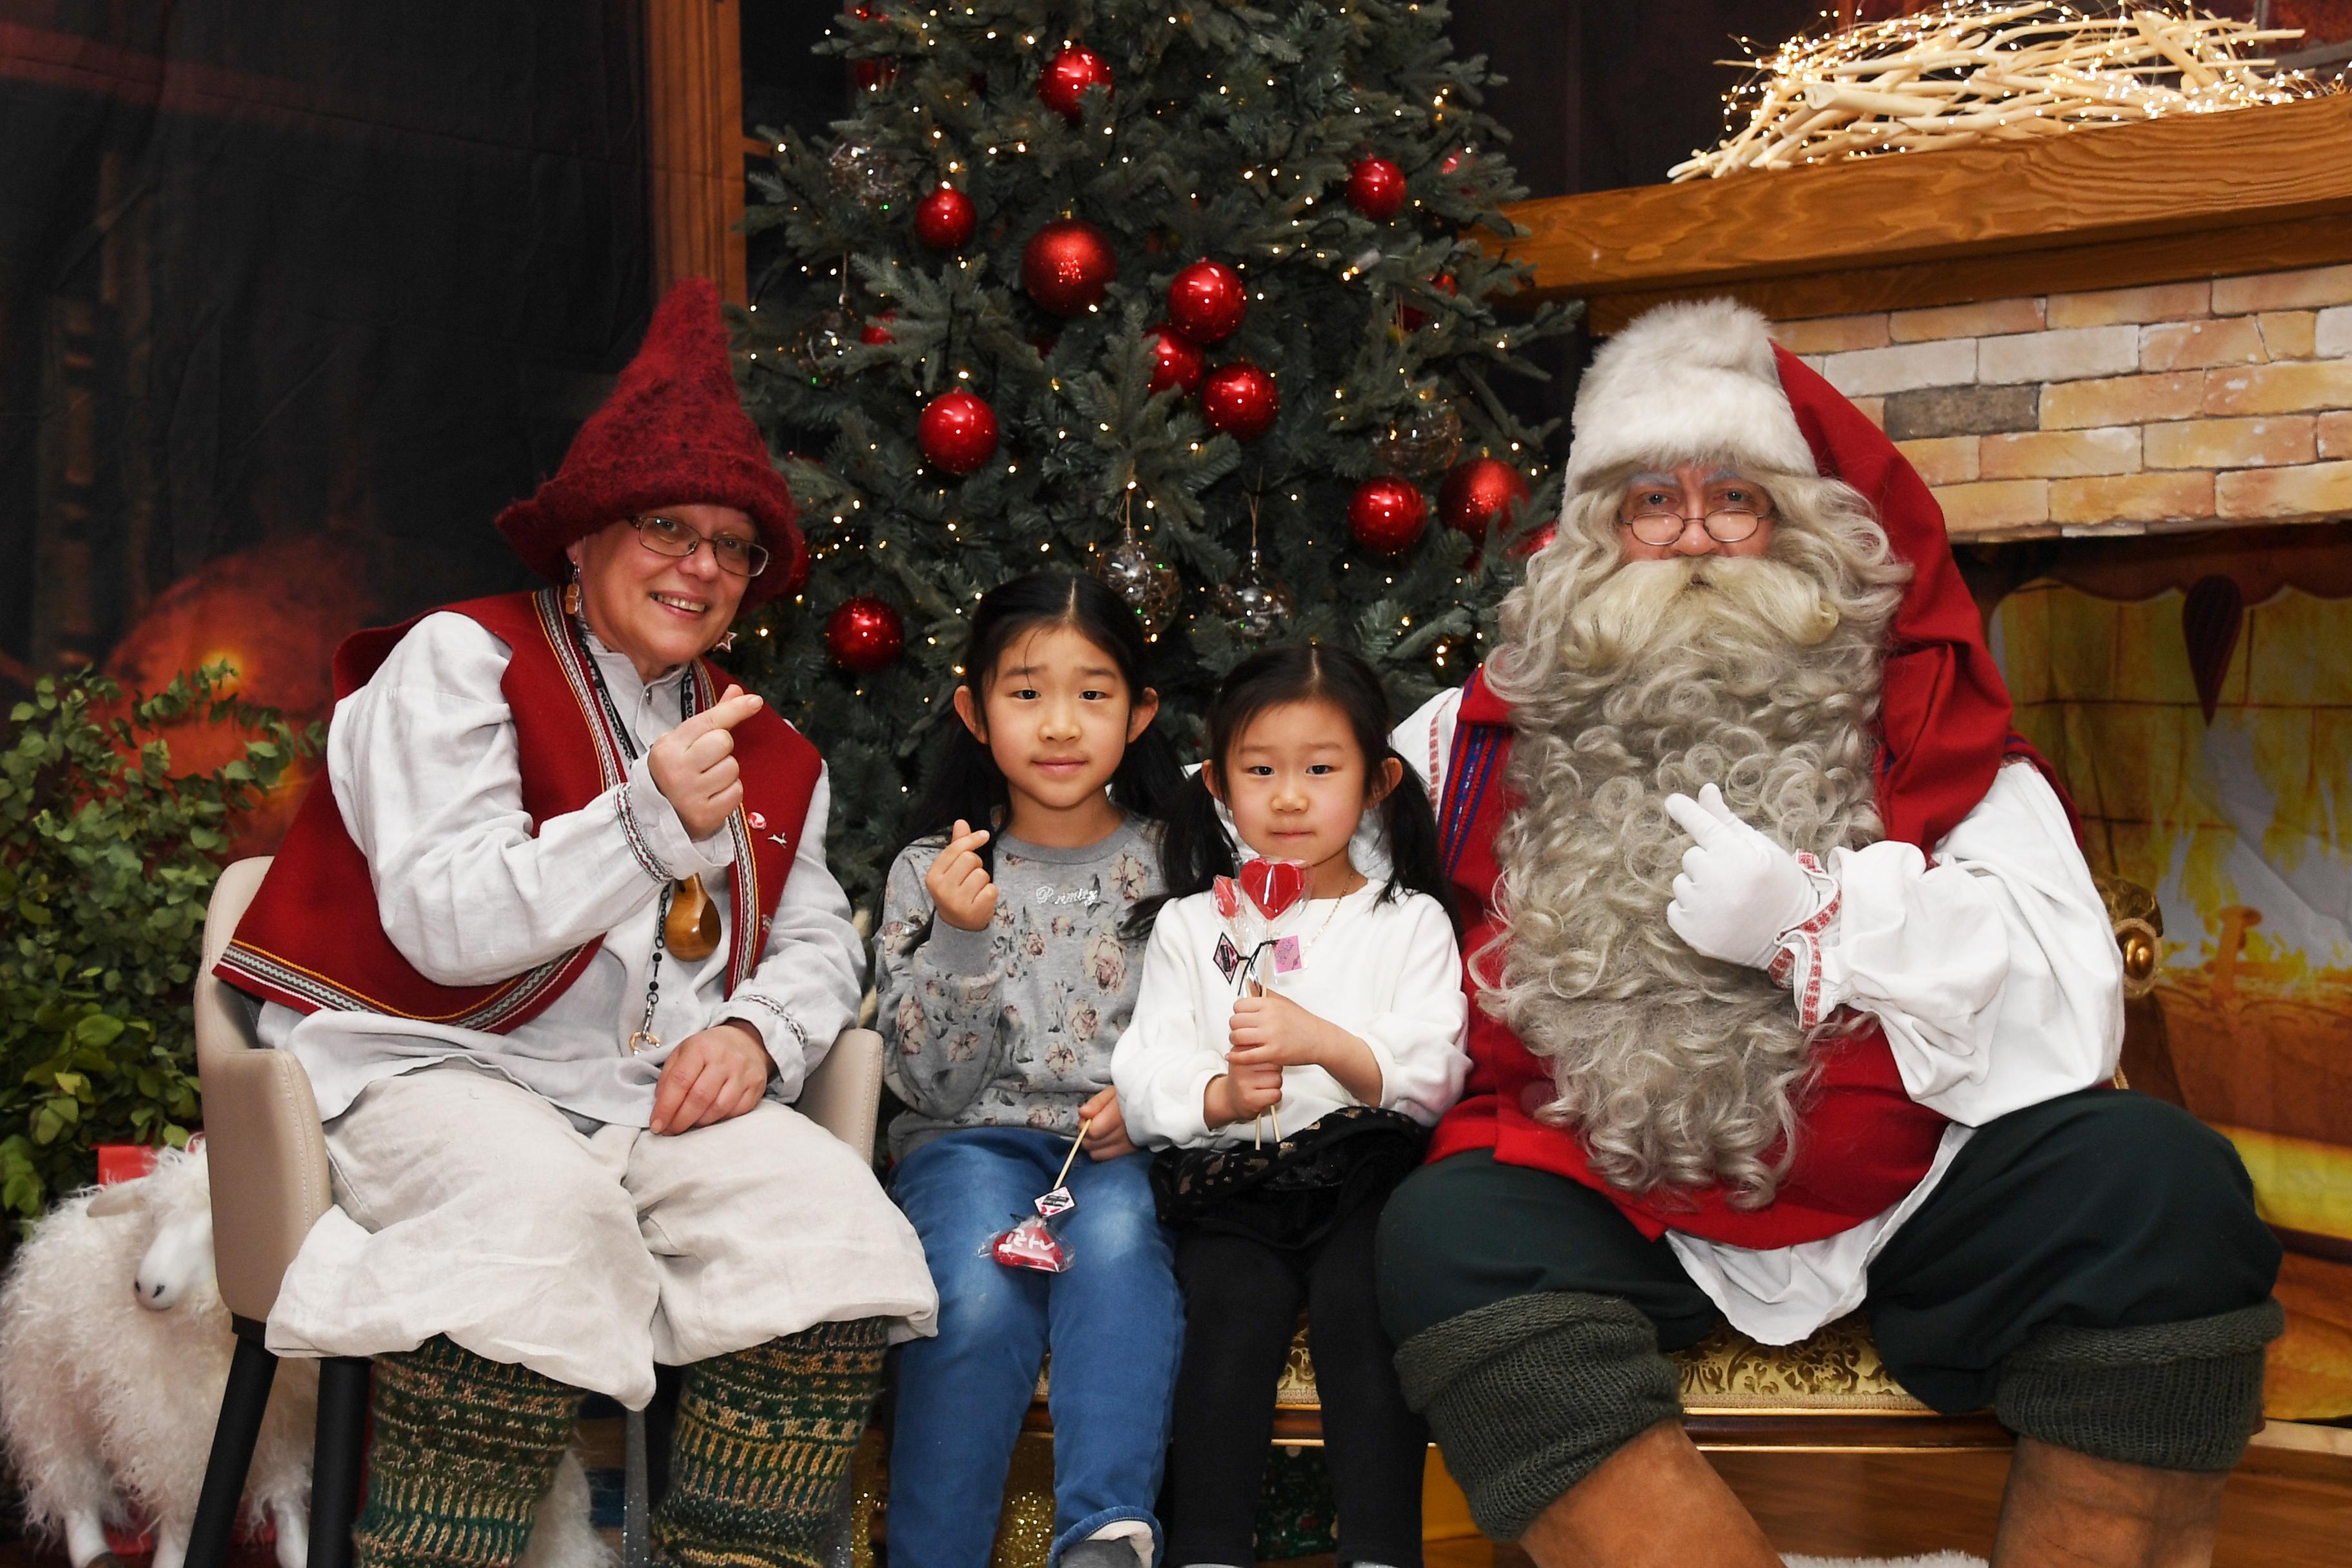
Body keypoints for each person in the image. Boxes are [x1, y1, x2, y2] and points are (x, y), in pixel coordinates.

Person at [1375, 299, 2284, 1568]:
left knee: (2160, 1185)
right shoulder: (1450, 749)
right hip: (1617, 1194)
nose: (1692, 535)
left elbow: (2073, 1013)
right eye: (1650, 503)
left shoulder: (1928, 723)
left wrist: (1825, 918)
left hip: (1919, 1188)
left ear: (1804, 529)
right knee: (1446, 1234)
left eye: (1735, 498)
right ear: (1592, 540)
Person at [216, 279, 937, 1568]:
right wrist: (646, 826)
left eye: (734, 546)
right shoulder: (454, 662)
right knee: (539, 1223)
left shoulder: (776, 754)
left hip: (640, 1096)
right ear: (586, 536)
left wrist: (765, 1036)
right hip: (422, 1062)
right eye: (668, 526)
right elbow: (445, 919)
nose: (702, 566)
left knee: (832, 1229)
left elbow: (823, 936)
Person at [1115, 643, 1468, 1568]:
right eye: (1260, 770)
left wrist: (1329, 1046)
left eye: (1321, 770)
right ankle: (1207, 1548)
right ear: (1220, 783)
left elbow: (1436, 1071)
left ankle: (1383, 1547)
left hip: (1363, 1184)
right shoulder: (1197, 926)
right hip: (1237, 1184)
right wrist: (1221, 1096)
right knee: (1227, 1320)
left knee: (1365, 1312)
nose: (1289, 796)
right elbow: (1145, 1075)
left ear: (1378, 780)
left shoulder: (1409, 921)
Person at [874, 574, 1186, 1568]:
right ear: (973, 711)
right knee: (974, 1298)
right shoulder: (933, 866)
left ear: (1139, 715)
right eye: (1025, 692)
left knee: (1128, 1249)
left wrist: (1152, 1108)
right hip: (971, 1148)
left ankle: (1106, 1536)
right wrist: (962, 941)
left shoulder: (1180, 865)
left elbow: (1220, 1027)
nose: (1060, 725)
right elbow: (928, 1087)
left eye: (1093, 694)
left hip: (1121, 1151)